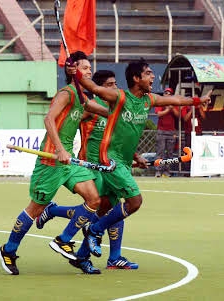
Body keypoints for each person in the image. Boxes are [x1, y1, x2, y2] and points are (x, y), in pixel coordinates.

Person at [69, 58, 211, 258]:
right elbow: (93, 87)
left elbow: (175, 100)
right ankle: (94, 230)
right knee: (135, 201)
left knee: (105, 207)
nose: (153, 77)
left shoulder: (148, 100)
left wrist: (198, 100)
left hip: (124, 162)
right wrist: (74, 72)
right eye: (148, 73)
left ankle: (82, 257)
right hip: (110, 159)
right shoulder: (120, 97)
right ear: (136, 78)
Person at [0, 51, 111, 275]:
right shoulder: (66, 93)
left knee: (94, 199)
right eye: (85, 68)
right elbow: (49, 118)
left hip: (69, 163)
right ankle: (8, 250)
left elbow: (106, 111)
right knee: (34, 209)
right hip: (51, 160)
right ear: (72, 70)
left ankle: (63, 239)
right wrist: (59, 149)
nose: (90, 71)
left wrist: (125, 110)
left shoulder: (82, 97)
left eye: (90, 68)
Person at [36, 70, 140, 274]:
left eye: (115, 84)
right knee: (98, 210)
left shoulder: (115, 109)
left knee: (112, 209)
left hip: (111, 166)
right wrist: (60, 146)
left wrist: (136, 157)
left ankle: (111, 257)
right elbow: (65, 121)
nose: (114, 88)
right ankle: (86, 255)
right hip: (92, 166)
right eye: (109, 85)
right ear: (99, 89)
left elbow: (119, 139)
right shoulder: (91, 108)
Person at [154, 87, 179, 177]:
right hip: (161, 131)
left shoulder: (173, 104)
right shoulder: (160, 103)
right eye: (166, 93)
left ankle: (167, 171)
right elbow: (159, 114)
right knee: (160, 152)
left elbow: (178, 116)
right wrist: (168, 109)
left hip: (171, 131)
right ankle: (158, 171)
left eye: (169, 93)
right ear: (163, 94)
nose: (167, 95)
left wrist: (172, 108)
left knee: (170, 153)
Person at [180, 99, 206, 174]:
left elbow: (204, 117)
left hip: (198, 133)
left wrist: (199, 108)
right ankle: (188, 170)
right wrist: (192, 110)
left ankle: (199, 169)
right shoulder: (185, 107)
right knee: (189, 151)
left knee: (198, 151)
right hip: (189, 133)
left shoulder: (199, 107)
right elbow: (185, 119)